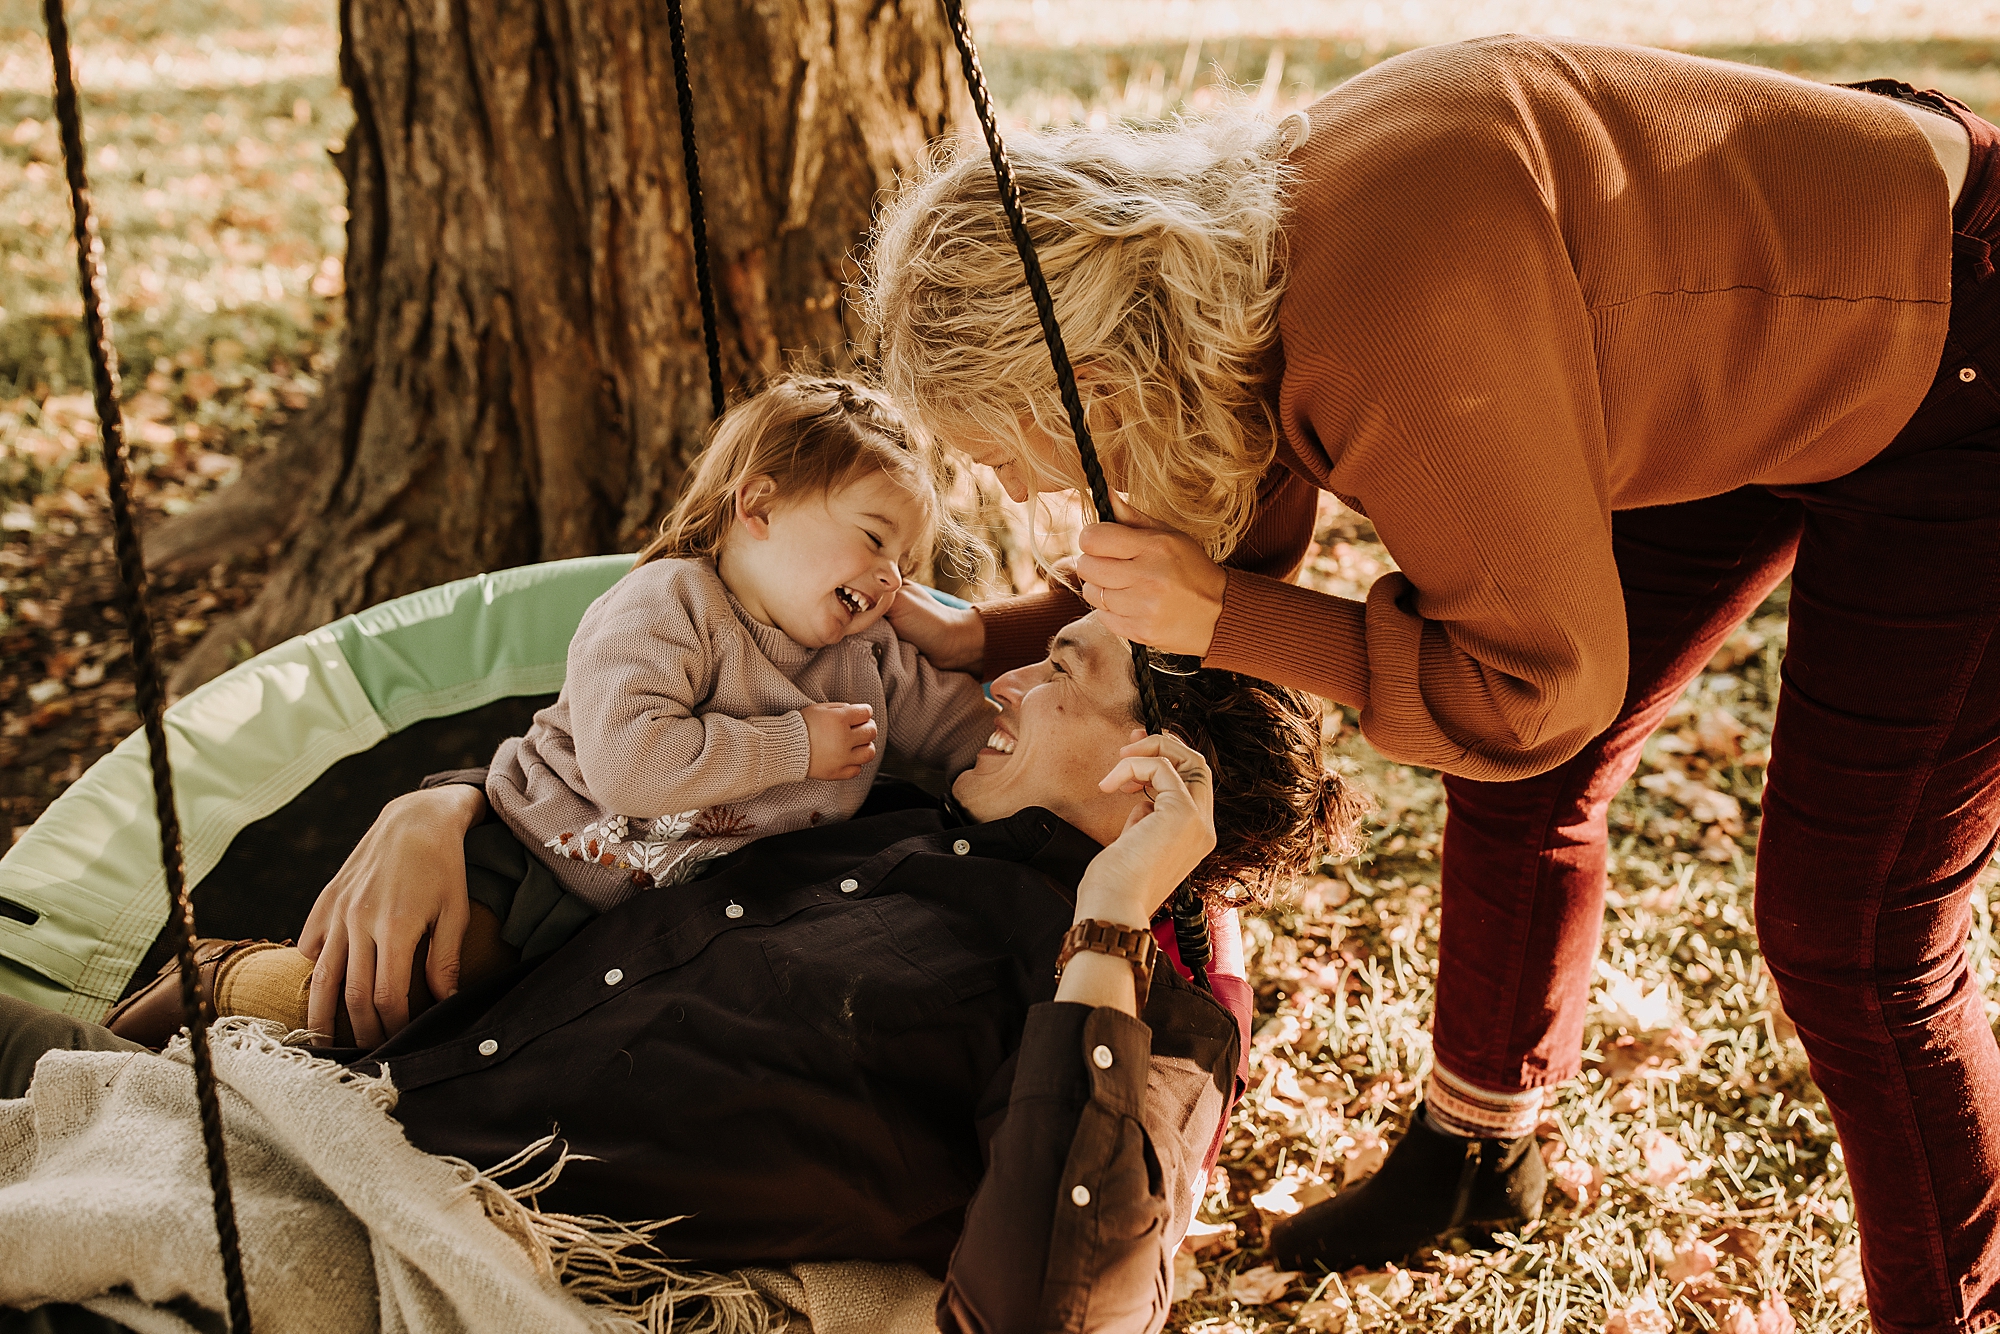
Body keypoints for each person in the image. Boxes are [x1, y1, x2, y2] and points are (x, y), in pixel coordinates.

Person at [863, 34, 1999, 1332]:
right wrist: (993, 637)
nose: (1014, 487)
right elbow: (1211, 526)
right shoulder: (1227, 263)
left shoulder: (1394, 328)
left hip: (1954, 351)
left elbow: (1535, 685)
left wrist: (1230, 616)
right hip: (1752, 322)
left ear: (1102, 366)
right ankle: (1478, 1152)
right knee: (1530, 790)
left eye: (1009, 448)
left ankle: (1957, 1310)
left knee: (1852, 929)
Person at [1, 613, 1360, 1334]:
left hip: (441, 1216)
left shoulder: (1132, 1011)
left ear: (1151, 777)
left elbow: (1054, 1307)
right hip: (336, 1102)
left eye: (1063, 671)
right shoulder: (871, 788)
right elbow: (627, 776)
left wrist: (1114, 914)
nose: (1008, 677)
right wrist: (453, 801)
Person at [107, 375, 996, 1049]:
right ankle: (208, 985)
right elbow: (630, 766)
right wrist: (792, 744)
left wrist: (1028, 761)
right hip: (535, 853)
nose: (888, 576)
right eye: (874, 538)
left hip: (654, 919)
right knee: (391, 1001)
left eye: (906, 564)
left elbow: (963, 732)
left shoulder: (867, 661)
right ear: (757, 506)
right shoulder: (671, 605)